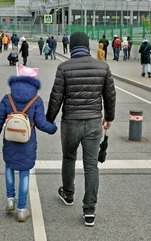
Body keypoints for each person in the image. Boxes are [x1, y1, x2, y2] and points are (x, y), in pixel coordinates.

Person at [46, 31, 116, 227]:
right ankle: (89, 211)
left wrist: (49, 120)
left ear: (71, 46)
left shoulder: (64, 67)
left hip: (71, 122)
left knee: (68, 158)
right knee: (91, 165)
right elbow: (110, 95)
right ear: (87, 46)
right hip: (94, 122)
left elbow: (56, 96)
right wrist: (108, 117)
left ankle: (68, 194)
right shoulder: (103, 67)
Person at [0, 65, 57, 222]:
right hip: (27, 142)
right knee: (25, 173)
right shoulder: (36, 100)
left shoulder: (8, 98)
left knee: (9, 167)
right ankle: (21, 209)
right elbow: (40, 122)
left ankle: (10, 199)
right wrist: (53, 129)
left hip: (10, 139)